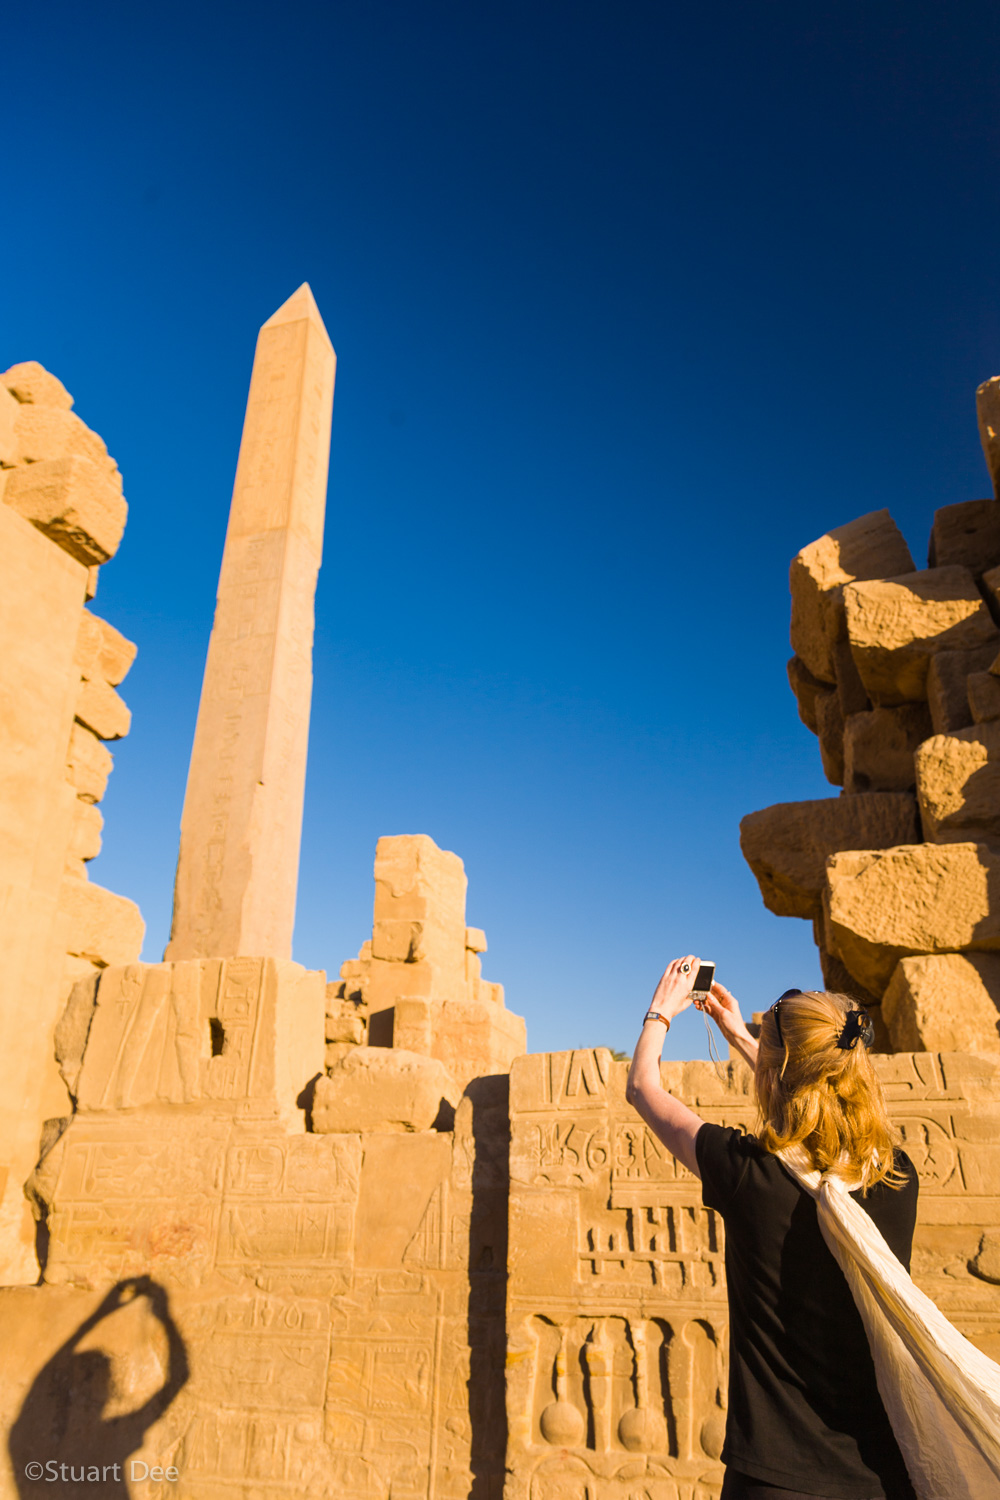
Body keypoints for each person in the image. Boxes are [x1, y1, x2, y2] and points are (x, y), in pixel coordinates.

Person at [625, 954, 918, 1500]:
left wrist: (659, 1014)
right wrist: (741, 1034)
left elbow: (644, 1088)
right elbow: (817, 1100)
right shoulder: (896, 1176)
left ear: (776, 1072)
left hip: (774, 1478)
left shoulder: (748, 1172)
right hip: (881, 1474)